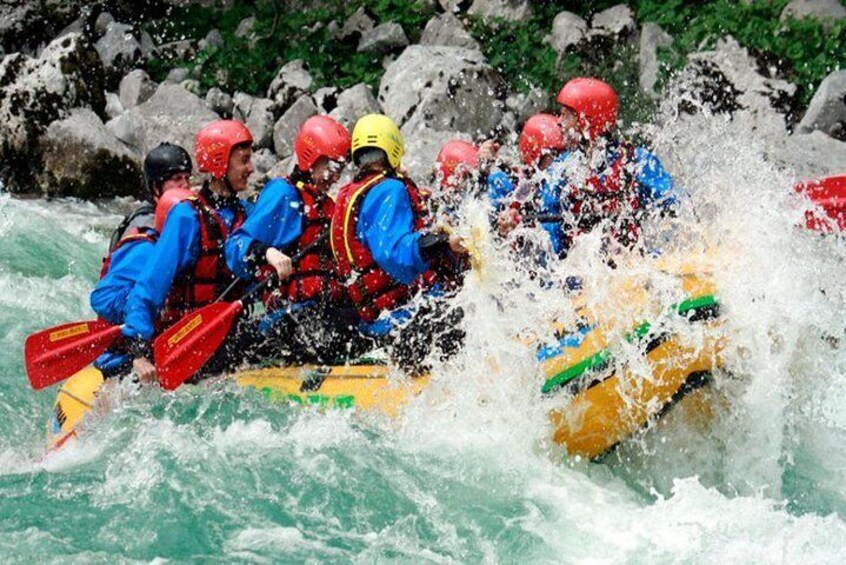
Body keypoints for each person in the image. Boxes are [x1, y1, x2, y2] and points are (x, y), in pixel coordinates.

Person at [330, 114, 468, 374]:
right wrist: (441, 243)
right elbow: (394, 254)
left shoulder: (354, 192)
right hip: (395, 321)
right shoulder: (389, 190)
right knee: (467, 309)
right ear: (392, 152)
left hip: (375, 318)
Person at [121, 120, 255, 384]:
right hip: (189, 339)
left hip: (231, 335)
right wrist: (137, 350)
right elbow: (151, 284)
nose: (251, 169)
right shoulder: (187, 216)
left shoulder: (247, 214)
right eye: (244, 161)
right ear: (220, 163)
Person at [225, 115, 358, 363]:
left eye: (340, 168)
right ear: (311, 159)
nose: (336, 176)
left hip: (324, 312)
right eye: (331, 166)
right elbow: (235, 247)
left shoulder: (327, 206)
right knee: (328, 326)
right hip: (291, 317)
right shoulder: (284, 194)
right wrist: (268, 253)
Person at [500, 78, 677, 260]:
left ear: (586, 121)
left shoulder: (637, 161)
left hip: (630, 265)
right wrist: (520, 234)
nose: (558, 123)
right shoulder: (561, 169)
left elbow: (677, 207)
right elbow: (550, 238)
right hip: (583, 273)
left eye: (565, 115)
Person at [89, 143, 193, 377]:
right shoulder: (143, 237)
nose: (186, 186)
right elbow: (103, 298)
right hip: (128, 348)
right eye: (177, 179)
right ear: (156, 187)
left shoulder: (188, 220)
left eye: (188, 178)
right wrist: (143, 306)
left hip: (169, 341)